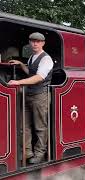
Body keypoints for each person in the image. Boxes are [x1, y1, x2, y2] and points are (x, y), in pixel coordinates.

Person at [8, 32, 53, 164]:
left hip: (40, 96)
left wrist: (18, 82)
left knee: (40, 127)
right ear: (30, 42)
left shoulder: (46, 58)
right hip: (29, 95)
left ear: (43, 43)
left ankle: (40, 154)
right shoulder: (32, 57)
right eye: (33, 41)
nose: (35, 43)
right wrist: (21, 64)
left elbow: (39, 77)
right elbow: (31, 72)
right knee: (24, 125)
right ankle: (27, 152)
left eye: (38, 41)